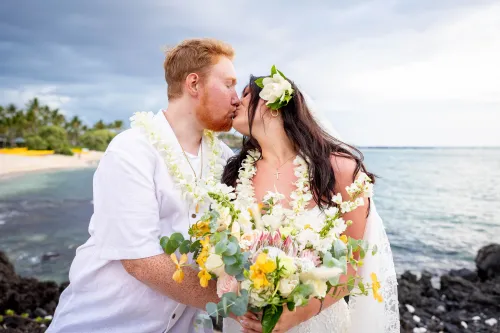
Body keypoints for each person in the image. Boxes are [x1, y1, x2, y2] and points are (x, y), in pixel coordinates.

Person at [47, 38, 240, 333]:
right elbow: (141, 261)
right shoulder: (132, 150)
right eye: (228, 84)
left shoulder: (225, 159)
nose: (236, 97)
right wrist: (238, 304)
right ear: (193, 84)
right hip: (103, 324)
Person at [221, 69, 399, 332]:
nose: (236, 101)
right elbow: (225, 248)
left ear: (273, 105)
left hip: (317, 322)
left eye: (246, 95)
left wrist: (299, 314)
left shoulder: (339, 170)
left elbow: (353, 262)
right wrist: (231, 295)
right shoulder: (235, 174)